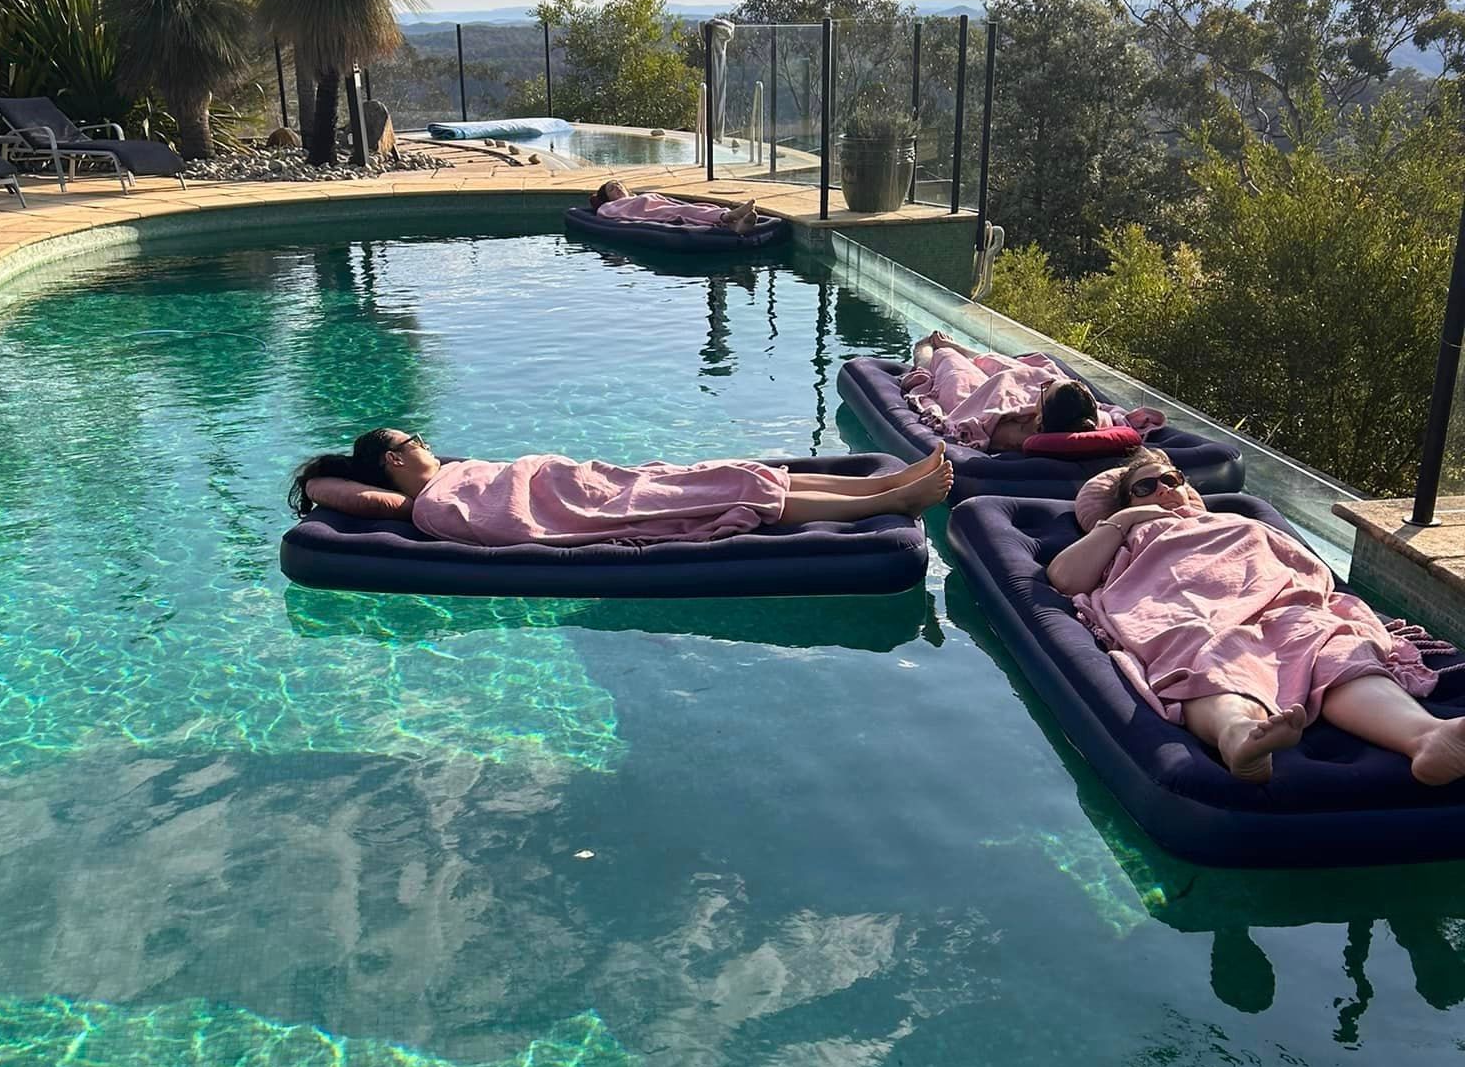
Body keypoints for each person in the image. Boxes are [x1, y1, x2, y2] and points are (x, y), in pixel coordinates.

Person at [1045, 447, 1465, 786]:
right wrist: (1125, 520)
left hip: (1277, 602)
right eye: (1146, 486)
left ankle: (1426, 737)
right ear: (1127, 502)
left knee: (1329, 642)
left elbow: (1310, 571)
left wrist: (1287, 596)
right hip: (1181, 604)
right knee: (1203, 647)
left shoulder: (1233, 519)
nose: (1164, 489)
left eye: (1172, 479)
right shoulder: (1130, 534)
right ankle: (1239, 735)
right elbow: (1064, 578)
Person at [289, 427, 952, 546]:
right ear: (396, 464)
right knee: (731, 495)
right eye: (414, 442)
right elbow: (333, 490)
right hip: (585, 508)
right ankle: (888, 500)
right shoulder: (427, 504)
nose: (426, 444)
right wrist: (323, 479)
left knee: (735, 474)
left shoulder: (452, 472)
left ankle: (889, 484)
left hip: (593, 481)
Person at [902, 332, 1161, 451]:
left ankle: (927, 354)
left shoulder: (1012, 432)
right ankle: (973, 355)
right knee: (1034, 368)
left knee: (944, 357)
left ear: (1040, 417)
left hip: (982, 396)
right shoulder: (1097, 419)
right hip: (1016, 385)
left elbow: (968, 419)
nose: (1045, 386)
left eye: (1045, 391)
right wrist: (1045, 384)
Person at [589, 180, 761, 235]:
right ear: (607, 197)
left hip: (663, 206)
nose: (617, 188)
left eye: (619, 184)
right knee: (683, 212)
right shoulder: (608, 206)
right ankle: (728, 216)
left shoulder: (637, 196)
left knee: (698, 207)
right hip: (651, 213)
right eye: (612, 188)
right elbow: (608, 214)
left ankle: (735, 226)